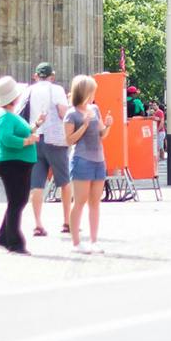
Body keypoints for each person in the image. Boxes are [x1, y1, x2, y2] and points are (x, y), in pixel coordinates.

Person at [0, 75, 42, 255]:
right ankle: (14, 242)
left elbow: (21, 130)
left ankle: (4, 236)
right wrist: (28, 141)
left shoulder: (6, 113)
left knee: (17, 201)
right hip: (13, 163)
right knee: (17, 202)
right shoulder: (4, 115)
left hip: (17, 162)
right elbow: (6, 139)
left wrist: (35, 125)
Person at [21, 62, 72, 237]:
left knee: (36, 184)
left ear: (36, 75)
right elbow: (62, 112)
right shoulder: (56, 89)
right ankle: (67, 221)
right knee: (64, 181)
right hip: (54, 139)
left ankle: (38, 224)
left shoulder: (28, 91)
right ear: (52, 75)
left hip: (34, 138)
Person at [64, 74, 111, 255]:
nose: (93, 95)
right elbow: (69, 140)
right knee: (80, 202)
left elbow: (102, 134)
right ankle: (76, 242)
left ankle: (94, 240)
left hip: (99, 159)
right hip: (81, 159)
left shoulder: (95, 109)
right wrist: (83, 125)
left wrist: (108, 126)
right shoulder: (71, 113)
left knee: (95, 203)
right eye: (91, 91)